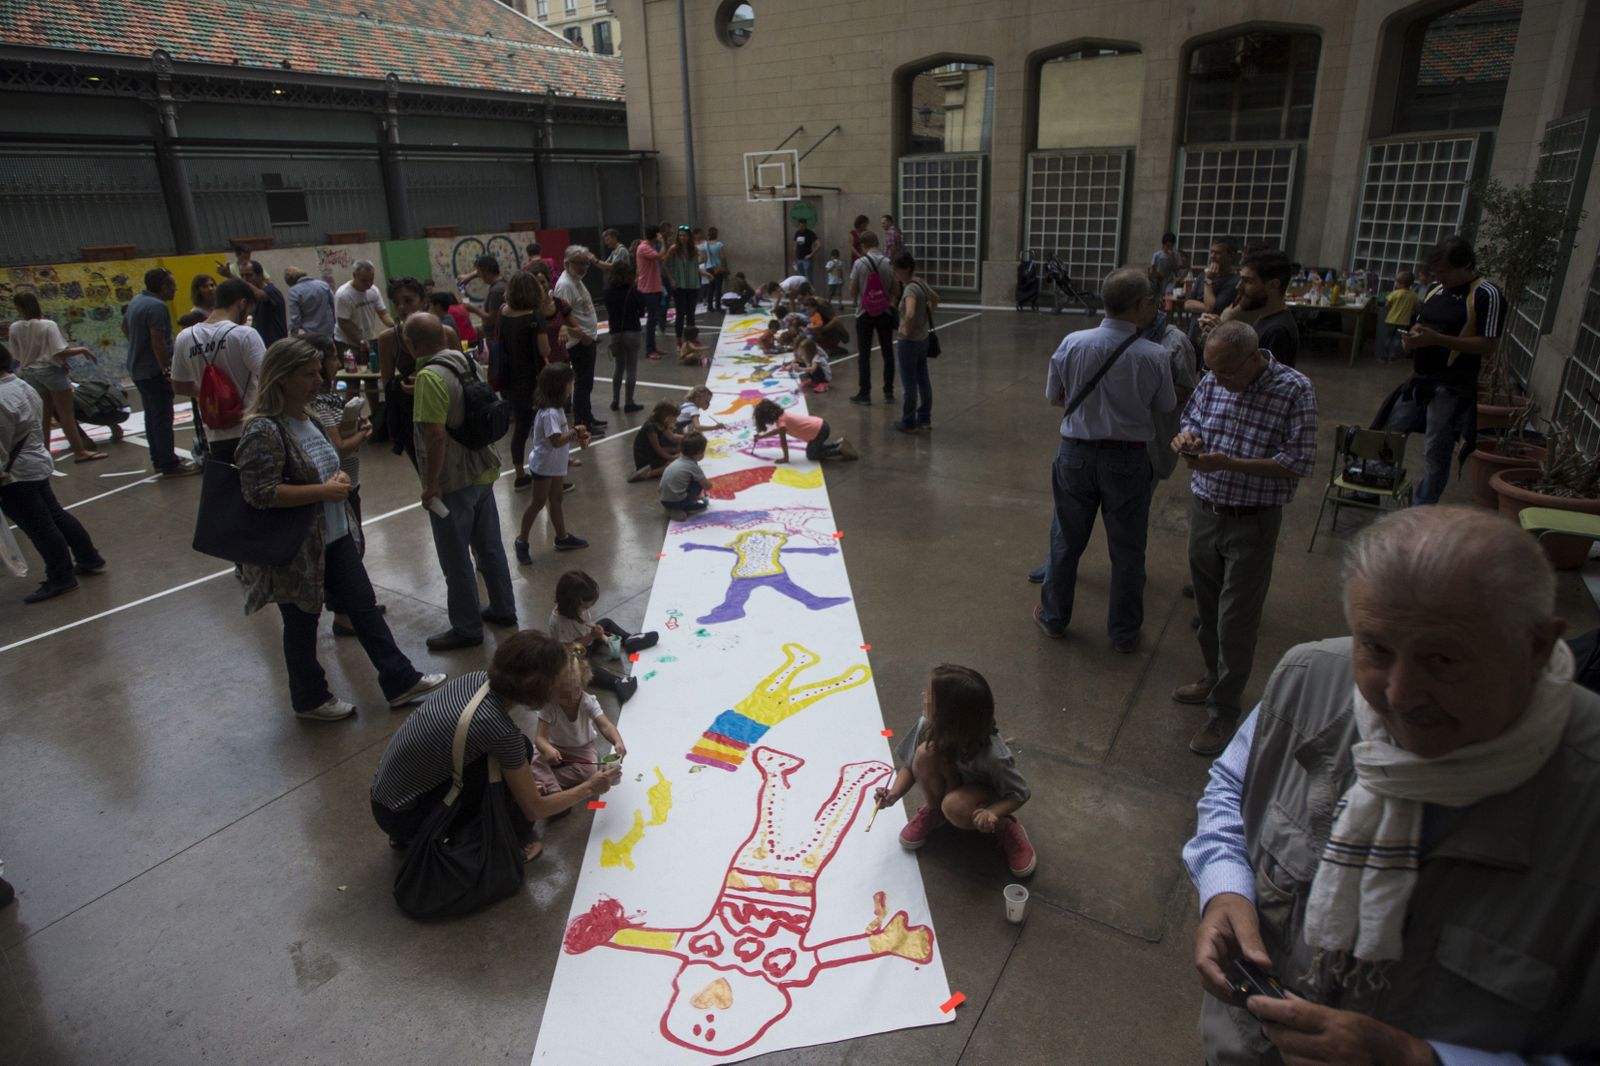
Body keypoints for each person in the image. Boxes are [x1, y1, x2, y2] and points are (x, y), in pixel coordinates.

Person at [1183, 505, 1600, 1065]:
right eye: (1376, 648)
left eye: (1442, 659)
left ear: (1537, 647)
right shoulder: (1308, 678)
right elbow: (1231, 786)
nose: (1400, 694)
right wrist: (1224, 887)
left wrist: (1419, 1060)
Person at [233, 338, 444, 720]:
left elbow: (326, 462)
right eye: (308, 374)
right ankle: (309, 699)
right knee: (301, 622)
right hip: (298, 549)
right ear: (282, 379)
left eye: (318, 372)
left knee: (363, 607)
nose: (319, 380)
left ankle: (399, 679)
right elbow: (260, 493)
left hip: (335, 536)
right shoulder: (263, 430)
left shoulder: (309, 416)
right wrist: (322, 491)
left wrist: (338, 477)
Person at [1171, 321, 1318, 756]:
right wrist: (1187, 437)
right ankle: (1213, 676)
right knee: (1207, 609)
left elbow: (1298, 461)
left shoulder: (1295, 389)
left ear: (1255, 358)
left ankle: (1224, 709)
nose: (1218, 381)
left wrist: (1230, 463)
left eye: (1227, 373)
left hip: (1252, 520)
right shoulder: (1214, 377)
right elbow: (1192, 416)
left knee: (1236, 618)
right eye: (1211, 371)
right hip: (1205, 510)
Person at [370, 631, 620, 859]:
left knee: (518, 758)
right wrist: (589, 787)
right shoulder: (499, 729)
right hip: (405, 817)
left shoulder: (475, 679)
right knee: (519, 803)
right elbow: (535, 809)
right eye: (559, 678)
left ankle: (414, 832)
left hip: (386, 800)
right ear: (539, 689)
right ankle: (505, 845)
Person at [1034, 268, 1176, 652]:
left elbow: (1054, 396)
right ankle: (1124, 633)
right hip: (1128, 460)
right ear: (1139, 304)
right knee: (1128, 550)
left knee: (1065, 540)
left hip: (1075, 453)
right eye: (1150, 300)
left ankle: (1054, 617)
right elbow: (1165, 405)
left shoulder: (1073, 342)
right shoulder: (1155, 355)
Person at [405, 312, 517, 651]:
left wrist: (431, 484)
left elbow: (435, 435)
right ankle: (503, 608)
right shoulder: (464, 361)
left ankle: (467, 628)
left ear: (411, 344)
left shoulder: (428, 377)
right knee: (490, 547)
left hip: (454, 478)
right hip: (484, 467)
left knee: (455, 558)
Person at [873, 664, 1035, 878]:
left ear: (949, 714)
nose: (923, 694)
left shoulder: (993, 755)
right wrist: (893, 794)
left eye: (930, 694)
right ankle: (935, 811)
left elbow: (1020, 793)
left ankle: (1005, 828)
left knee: (955, 806)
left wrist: (993, 812)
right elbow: (911, 765)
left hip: (983, 796)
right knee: (924, 753)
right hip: (954, 781)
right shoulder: (927, 725)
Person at [1385, 236, 1504, 505]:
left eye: (1445, 272)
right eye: (1436, 272)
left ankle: (1423, 505)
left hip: (1450, 385)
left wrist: (1438, 340)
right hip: (1420, 378)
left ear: (1466, 266)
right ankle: (1374, 482)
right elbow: (1421, 321)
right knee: (1391, 432)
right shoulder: (1436, 289)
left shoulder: (1486, 294)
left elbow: (1489, 344)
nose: (1439, 277)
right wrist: (1414, 334)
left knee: (1435, 448)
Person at [0, 341, 106, 603]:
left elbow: (2, 446)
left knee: (40, 527)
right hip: (33, 463)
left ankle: (61, 577)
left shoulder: (2, 397)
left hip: (15, 474)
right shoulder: (20, 385)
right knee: (54, 515)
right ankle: (88, 556)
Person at [304, 334, 377, 638]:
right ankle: (343, 614)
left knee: (353, 547)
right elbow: (338, 447)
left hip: (349, 483)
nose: (338, 363)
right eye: (334, 357)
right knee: (343, 553)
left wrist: (356, 427)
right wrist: (362, 435)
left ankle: (355, 606)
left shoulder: (331, 398)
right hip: (338, 487)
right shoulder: (319, 404)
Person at [170, 278, 267, 465]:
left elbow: (179, 385)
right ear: (242, 304)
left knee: (228, 479)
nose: (247, 316)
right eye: (248, 311)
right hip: (251, 425)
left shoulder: (185, 338)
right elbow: (268, 376)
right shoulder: (244, 334)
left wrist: (210, 392)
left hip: (215, 431)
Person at [9, 293, 105, 462]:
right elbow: (59, 351)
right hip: (51, 371)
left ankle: (44, 453)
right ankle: (79, 451)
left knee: (43, 416)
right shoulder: (48, 325)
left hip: (30, 373)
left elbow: (16, 355)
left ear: (18, 308)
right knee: (66, 414)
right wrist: (82, 349)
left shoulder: (15, 327)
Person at [123, 269, 200, 477]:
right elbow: (158, 341)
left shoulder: (136, 301)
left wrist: (138, 345)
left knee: (152, 415)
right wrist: (167, 370)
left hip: (138, 369)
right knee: (163, 417)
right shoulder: (157, 307)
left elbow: (125, 327)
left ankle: (159, 457)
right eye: (172, 285)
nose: (175, 288)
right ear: (163, 286)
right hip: (152, 371)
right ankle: (168, 463)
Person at [379, 279, 459, 472]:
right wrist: (403, 386)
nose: (401, 307)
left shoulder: (446, 333)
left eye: (408, 300)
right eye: (396, 302)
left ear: (424, 302)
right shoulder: (388, 339)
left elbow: (462, 371)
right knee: (426, 468)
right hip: (413, 414)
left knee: (453, 466)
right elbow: (387, 383)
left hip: (447, 407)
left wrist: (430, 382)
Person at [513, 363, 589, 566]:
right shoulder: (549, 414)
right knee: (538, 503)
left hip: (554, 464)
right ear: (559, 387)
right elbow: (556, 440)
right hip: (544, 465)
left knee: (556, 499)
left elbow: (560, 437)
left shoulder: (557, 409)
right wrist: (575, 431)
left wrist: (577, 437)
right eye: (569, 384)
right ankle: (521, 541)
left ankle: (562, 537)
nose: (571, 388)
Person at [547, 569, 659, 704]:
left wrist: (599, 634)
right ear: (575, 603)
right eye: (586, 606)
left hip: (587, 641)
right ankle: (617, 682)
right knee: (582, 667)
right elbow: (570, 649)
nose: (588, 608)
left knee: (606, 622)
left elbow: (585, 626)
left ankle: (630, 639)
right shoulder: (559, 621)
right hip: (572, 653)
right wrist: (592, 636)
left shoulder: (578, 609)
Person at [531, 651, 629, 794]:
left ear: (583, 680)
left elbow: (605, 725)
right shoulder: (549, 707)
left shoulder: (587, 702)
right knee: (534, 757)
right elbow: (540, 738)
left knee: (589, 770)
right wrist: (547, 749)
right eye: (564, 694)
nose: (573, 696)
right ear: (550, 693)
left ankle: (548, 781)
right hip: (554, 745)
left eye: (577, 689)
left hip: (582, 747)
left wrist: (617, 741)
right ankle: (551, 787)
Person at [499, 271, 550, 492]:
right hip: (534, 379)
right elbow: (544, 350)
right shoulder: (534, 317)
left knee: (520, 429)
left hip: (511, 379)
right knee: (546, 428)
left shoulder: (504, 313)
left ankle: (520, 475)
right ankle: (547, 473)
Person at [554, 245, 602, 434]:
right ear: (567, 263)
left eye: (585, 264)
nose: (583, 268)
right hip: (579, 342)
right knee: (583, 383)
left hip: (586, 339)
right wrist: (582, 336)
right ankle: (583, 423)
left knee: (587, 382)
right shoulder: (565, 285)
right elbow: (563, 316)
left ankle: (588, 416)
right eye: (579, 263)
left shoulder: (576, 281)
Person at [848, 231, 898, 405]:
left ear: (863, 246)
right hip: (884, 312)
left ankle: (865, 393)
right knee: (887, 352)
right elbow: (896, 290)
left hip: (864, 313)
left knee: (864, 355)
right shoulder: (888, 263)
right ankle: (888, 392)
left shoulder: (859, 263)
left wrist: (860, 296)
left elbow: (852, 290)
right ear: (877, 243)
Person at [892, 252, 938, 433]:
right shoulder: (921, 283)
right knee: (923, 378)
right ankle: (924, 418)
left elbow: (910, 313)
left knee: (909, 382)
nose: (894, 273)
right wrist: (925, 317)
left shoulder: (910, 289)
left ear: (906, 269)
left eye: (896, 270)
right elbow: (936, 299)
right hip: (922, 338)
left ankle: (908, 420)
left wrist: (905, 328)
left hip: (909, 342)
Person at [1235, 249, 1299, 369]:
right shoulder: (1265, 317)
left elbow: (1267, 378)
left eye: (1248, 281)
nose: (1238, 286)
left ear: (1273, 285)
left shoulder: (1277, 331)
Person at [752, 398, 857, 462]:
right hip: (821, 425)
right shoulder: (782, 417)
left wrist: (785, 458)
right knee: (815, 448)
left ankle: (839, 450)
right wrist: (762, 437)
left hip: (819, 431)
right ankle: (838, 443)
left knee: (811, 455)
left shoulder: (782, 423)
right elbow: (779, 431)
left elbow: (783, 443)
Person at [1184, 236, 1241, 353]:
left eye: (1218, 253)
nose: (1212, 256)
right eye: (1212, 252)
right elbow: (1187, 303)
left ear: (1230, 255)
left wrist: (1209, 281)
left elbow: (1213, 308)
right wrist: (1206, 307)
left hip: (1213, 340)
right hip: (1192, 335)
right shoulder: (1202, 275)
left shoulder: (1235, 281)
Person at [604, 260, 645, 414]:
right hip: (633, 332)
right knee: (631, 369)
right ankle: (629, 402)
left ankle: (615, 401)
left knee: (618, 368)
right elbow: (641, 312)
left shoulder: (607, 292)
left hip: (616, 333)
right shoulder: (634, 292)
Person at [335, 261, 393, 355]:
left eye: (371, 279)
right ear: (354, 276)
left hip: (368, 338)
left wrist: (395, 326)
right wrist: (361, 340)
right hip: (348, 343)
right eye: (364, 280)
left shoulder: (373, 290)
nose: (369, 284)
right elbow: (344, 323)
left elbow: (383, 313)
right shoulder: (343, 295)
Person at [664, 226, 700, 348]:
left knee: (691, 313)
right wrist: (671, 279)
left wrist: (703, 269)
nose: (682, 237)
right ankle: (679, 340)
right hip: (679, 285)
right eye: (680, 235)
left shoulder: (693, 249)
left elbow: (696, 265)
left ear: (689, 237)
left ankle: (691, 339)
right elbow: (665, 264)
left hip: (692, 284)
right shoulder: (674, 249)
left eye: (684, 235)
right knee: (680, 313)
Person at [635, 225, 667, 359]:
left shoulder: (649, 246)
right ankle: (649, 350)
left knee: (654, 320)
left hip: (654, 287)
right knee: (652, 320)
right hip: (648, 289)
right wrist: (663, 242)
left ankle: (653, 347)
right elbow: (660, 256)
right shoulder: (644, 247)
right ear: (656, 235)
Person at [660, 432, 709, 518]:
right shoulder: (692, 466)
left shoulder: (678, 460)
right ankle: (677, 509)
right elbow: (707, 486)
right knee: (698, 483)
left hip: (664, 500)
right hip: (676, 502)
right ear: (699, 453)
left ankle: (676, 507)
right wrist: (709, 485)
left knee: (691, 479)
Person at [631, 400, 681, 481]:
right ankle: (647, 474)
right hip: (646, 457)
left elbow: (673, 437)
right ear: (666, 416)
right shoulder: (651, 427)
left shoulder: (662, 424)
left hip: (652, 452)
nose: (676, 420)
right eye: (674, 417)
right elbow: (658, 449)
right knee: (675, 465)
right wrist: (671, 457)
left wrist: (689, 437)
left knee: (678, 451)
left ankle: (657, 466)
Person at [241, 261, 287, 347]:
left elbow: (261, 296)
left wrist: (233, 277)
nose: (245, 279)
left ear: (260, 275)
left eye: (249, 275)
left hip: (276, 345)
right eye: (242, 276)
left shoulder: (272, 291)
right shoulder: (253, 297)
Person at [1378, 270, 1420, 364]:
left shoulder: (1395, 293)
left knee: (1388, 338)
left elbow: (1387, 305)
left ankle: (1384, 357)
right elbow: (1416, 307)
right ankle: (1393, 357)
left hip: (1391, 320)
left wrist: (1389, 311)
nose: (1396, 284)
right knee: (1397, 339)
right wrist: (1411, 312)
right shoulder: (1413, 295)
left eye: (1397, 282)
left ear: (1401, 284)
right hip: (1403, 322)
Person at [284, 267, 336, 339]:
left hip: (310, 334)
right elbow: (333, 306)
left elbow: (295, 319)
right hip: (329, 331)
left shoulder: (294, 292)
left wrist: (293, 335)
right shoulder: (323, 285)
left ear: (290, 281)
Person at [1149, 232, 1186, 297]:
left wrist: (1172, 259)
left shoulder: (1176, 255)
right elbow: (1152, 271)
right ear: (1163, 245)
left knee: (1168, 295)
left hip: (1171, 281)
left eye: (1171, 246)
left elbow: (1177, 271)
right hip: (1159, 281)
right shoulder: (1157, 255)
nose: (1169, 248)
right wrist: (1157, 275)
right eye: (1167, 246)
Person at [700, 226, 727, 312]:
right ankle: (718, 306)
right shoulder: (719, 244)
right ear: (716, 234)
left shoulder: (705, 245)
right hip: (718, 268)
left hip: (709, 267)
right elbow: (723, 257)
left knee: (710, 288)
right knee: (718, 288)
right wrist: (723, 267)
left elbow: (703, 257)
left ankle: (710, 306)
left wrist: (705, 266)